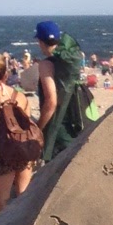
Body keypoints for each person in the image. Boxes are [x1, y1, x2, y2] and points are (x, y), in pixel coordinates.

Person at [0, 52, 36, 210]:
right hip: (23, 151)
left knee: (2, 200)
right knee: (23, 195)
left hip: (2, 154)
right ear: (6, 74)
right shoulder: (21, 96)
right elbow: (29, 127)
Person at [34, 20, 88, 162]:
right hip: (75, 124)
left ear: (40, 41)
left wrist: (37, 128)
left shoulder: (46, 64)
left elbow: (51, 102)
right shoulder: (70, 61)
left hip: (57, 132)